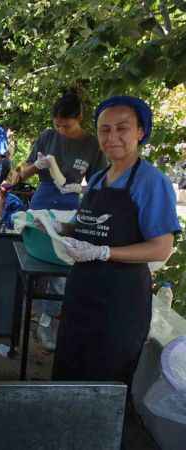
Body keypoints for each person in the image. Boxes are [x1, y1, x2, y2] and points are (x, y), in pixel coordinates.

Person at [53, 96, 181, 387]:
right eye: (104, 129)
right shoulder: (98, 179)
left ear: (140, 132)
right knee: (69, 369)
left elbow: (162, 248)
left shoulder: (151, 181)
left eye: (122, 128)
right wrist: (59, 227)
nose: (112, 137)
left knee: (103, 382)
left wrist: (104, 252)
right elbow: (91, 226)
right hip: (82, 294)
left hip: (120, 303)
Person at [19, 92, 108, 351]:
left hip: (69, 209)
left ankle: (48, 321)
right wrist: (37, 165)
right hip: (41, 203)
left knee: (60, 269)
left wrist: (79, 190)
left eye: (66, 125)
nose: (61, 130)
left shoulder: (92, 145)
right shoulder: (48, 137)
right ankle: (30, 312)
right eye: (57, 124)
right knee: (32, 263)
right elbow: (22, 171)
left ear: (78, 118)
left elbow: (97, 184)